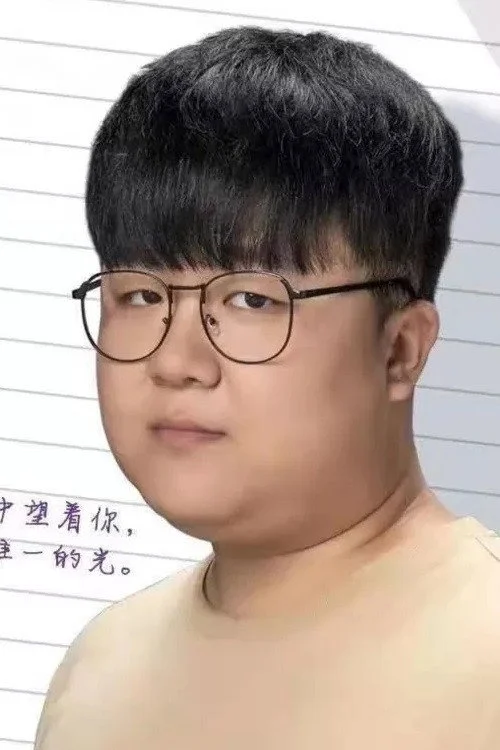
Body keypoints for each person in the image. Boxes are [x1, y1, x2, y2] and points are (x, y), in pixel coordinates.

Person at [35, 25, 500, 750]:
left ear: (400, 350)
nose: (177, 361)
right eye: (141, 295)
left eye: (251, 300)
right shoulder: (100, 664)